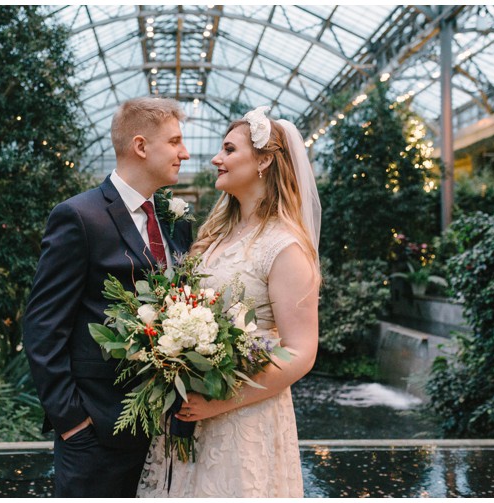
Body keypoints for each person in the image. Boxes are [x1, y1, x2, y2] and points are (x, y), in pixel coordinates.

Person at [137, 106, 321, 498]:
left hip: (245, 421)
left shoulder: (285, 246)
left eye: (229, 149)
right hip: (192, 415)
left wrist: (220, 402)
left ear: (265, 160)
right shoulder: (217, 234)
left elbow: (302, 352)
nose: (216, 159)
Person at [22, 97, 193, 497]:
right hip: (96, 434)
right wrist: (73, 423)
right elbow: (42, 327)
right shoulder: (79, 216)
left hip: (168, 432)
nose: (184, 152)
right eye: (174, 142)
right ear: (140, 146)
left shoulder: (175, 222)